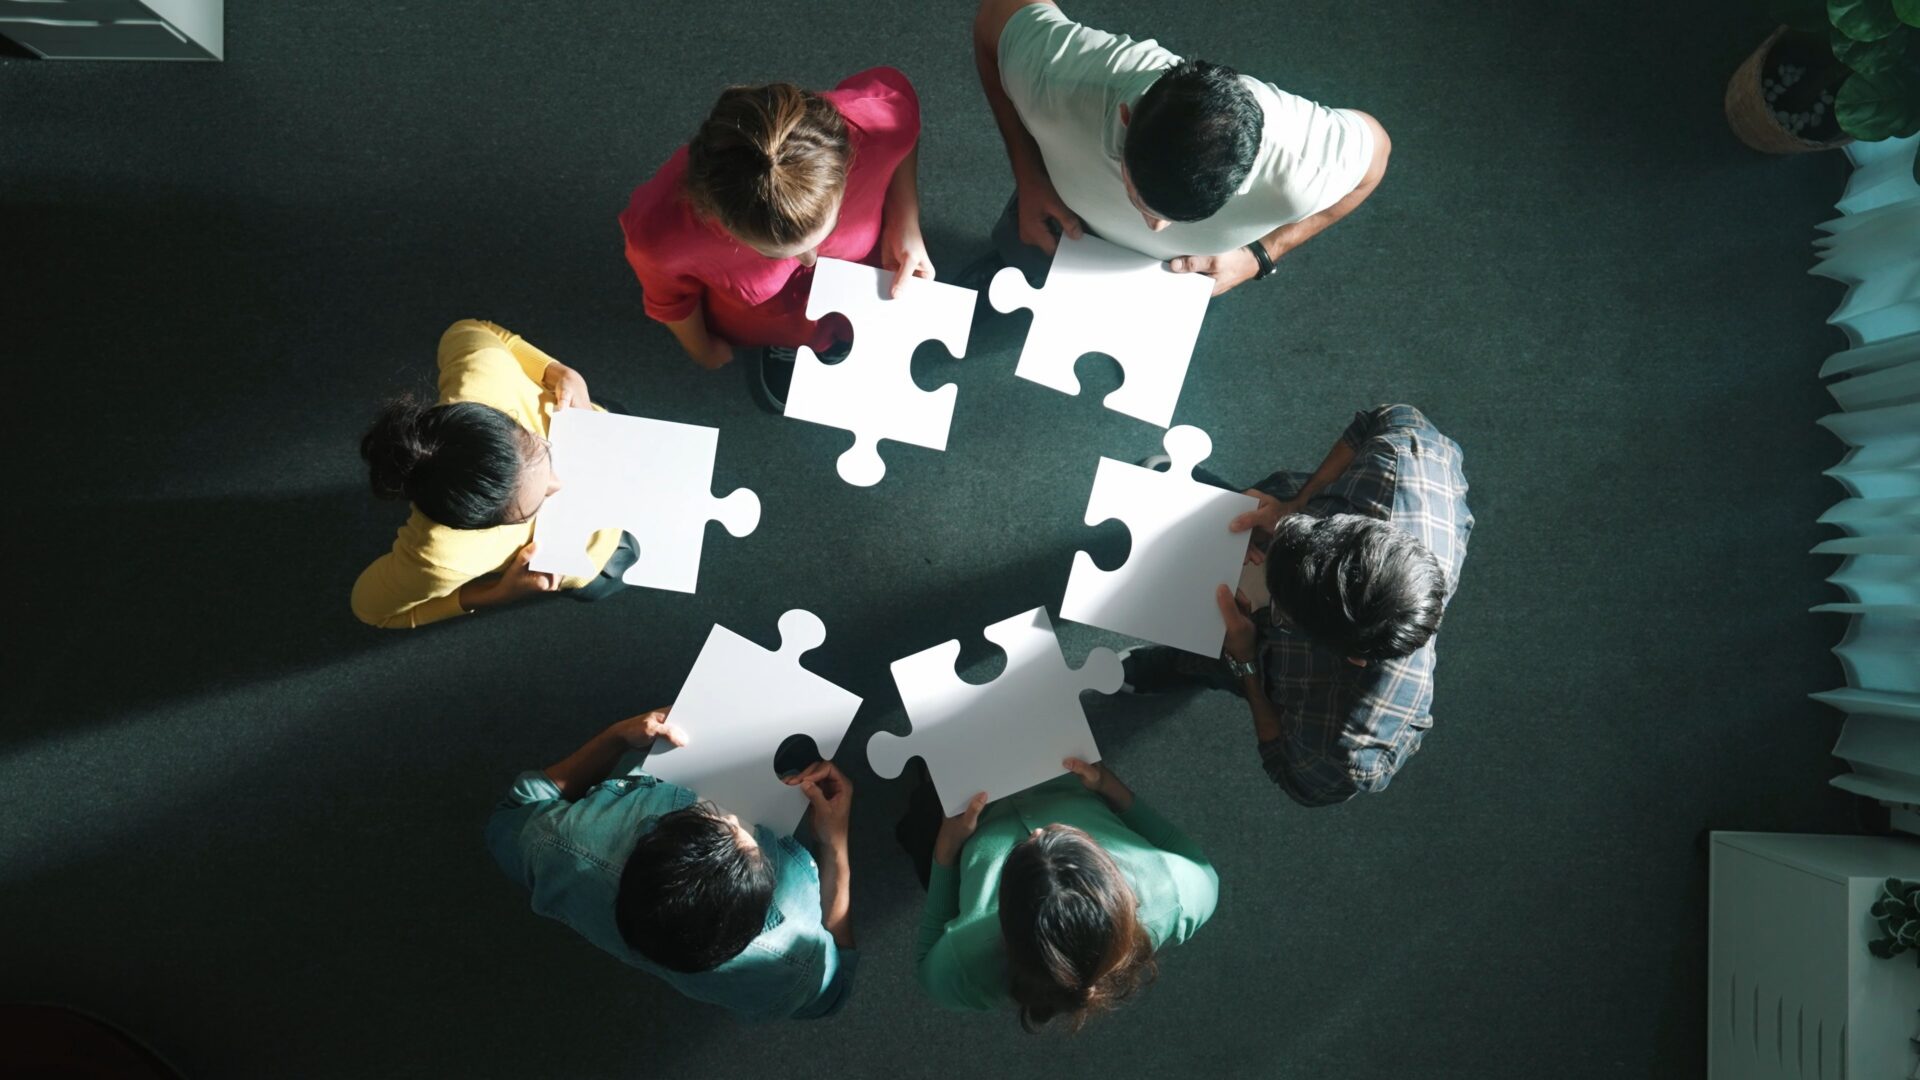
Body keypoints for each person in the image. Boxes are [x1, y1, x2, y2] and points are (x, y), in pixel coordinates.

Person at [1121, 405, 1473, 807]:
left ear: (1352, 658)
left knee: (1215, 659)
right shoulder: (1408, 466)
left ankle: (1188, 664)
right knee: (1246, 511)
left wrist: (1245, 663)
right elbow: (1374, 421)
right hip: (1287, 507)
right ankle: (1208, 499)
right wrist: (1293, 509)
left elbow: (1289, 773)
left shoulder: (1349, 744)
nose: (1264, 556)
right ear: (1365, 526)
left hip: (1263, 661)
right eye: (1313, 531)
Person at [970, 0, 1390, 295]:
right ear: (1125, 119)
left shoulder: (1305, 162)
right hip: (1058, 221)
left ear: (1243, 176)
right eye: (1140, 200)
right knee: (1008, 266)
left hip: (1180, 283)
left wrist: (1260, 254)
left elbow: (1376, 157)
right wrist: (1029, 175)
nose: (1154, 227)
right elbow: (995, 16)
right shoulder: (1063, 79)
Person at [486, 709, 859, 1021]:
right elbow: (835, 991)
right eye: (752, 836)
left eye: (713, 815)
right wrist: (833, 843)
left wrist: (616, 738)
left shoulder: (564, 845)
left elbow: (512, 815)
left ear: (650, 836)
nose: (736, 816)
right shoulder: (793, 965)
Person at [619, 68, 932, 412]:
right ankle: (794, 343)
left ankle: (830, 339)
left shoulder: (872, 126)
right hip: (764, 318)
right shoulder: (660, 233)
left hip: (860, 276)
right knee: (779, 323)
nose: (811, 259)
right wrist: (702, 348)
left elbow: (904, 116)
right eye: (772, 253)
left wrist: (906, 218)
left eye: (826, 230)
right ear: (717, 220)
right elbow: (670, 299)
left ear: (846, 169)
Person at [351, 320, 634, 628]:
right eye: (534, 506)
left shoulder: (481, 372)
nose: (560, 483)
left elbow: (471, 328)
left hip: (612, 433)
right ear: (482, 523)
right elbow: (372, 612)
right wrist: (497, 593)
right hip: (600, 558)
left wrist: (562, 373)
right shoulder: (439, 557)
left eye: (543, 450)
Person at [911, 758, 1216, 1029]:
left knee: (922, 808)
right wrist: (1107, 784)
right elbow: (1187, 853)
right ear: (1110, 870)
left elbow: (927, 962)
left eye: (1019, 852)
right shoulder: (1175, 894)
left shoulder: (967, 960)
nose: (1039, 832)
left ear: (1004, 916)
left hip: (960, 815)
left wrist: (946, 849)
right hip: (1053, 768)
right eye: (1071, 838)